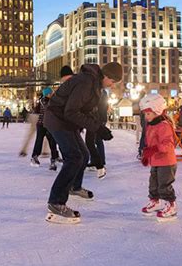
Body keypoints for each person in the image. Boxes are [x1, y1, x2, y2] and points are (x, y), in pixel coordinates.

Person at [43, 62, 122, 224]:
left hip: (66, 121)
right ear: (106, 76)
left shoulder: (93, 84)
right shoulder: (87, 82)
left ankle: (74, 187)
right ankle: (56, 203)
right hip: (58, 120)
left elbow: (84, 111)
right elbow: (71, 111)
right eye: (113, 81)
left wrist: (98, 127)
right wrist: (97, 128)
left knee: (83, 155)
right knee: (74, 158)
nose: (112, 85)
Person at [139, 94, 178, 221]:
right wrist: (147, 155)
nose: (146, 116)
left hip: (166, 162)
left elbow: (168, 144)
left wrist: (154, 149)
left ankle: (171, 205)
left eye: (148, 114)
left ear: (157, 111)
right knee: (153, 184)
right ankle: (156, 202)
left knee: (164, 185)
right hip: (156, 161)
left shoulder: (164, 125)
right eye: (145, 114)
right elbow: (150, 143)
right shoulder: (152, 125)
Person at [30, 88, 60, 171]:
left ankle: (52, 159)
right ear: (47, 94)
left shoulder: (43, 101)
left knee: (51, 142)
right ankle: (36, 156)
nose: (52, 94)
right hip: (45, 125)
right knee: (47, 141)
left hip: (44, 124)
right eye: (51, 93)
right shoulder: (45, 101)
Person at [85, 89, 108, 179]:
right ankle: (97, 162)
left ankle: (100, 163)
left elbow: (100, 107)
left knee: (96, 141)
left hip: (97, 119)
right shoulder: (100, 92)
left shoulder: (99, 92)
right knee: (94, 141)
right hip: (96, 119)